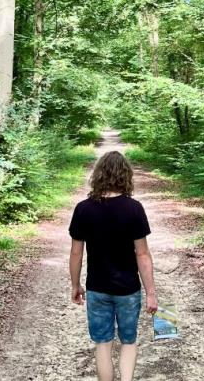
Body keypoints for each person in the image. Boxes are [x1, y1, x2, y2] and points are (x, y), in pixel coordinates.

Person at [68, 150, 158, 381]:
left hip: (97, 287)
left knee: (103, 344)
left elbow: (76, 253)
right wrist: (151, 293)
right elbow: (143, 254)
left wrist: (75, 285)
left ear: (98, 175)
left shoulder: (83, 209)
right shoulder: (134, 208)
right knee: (129, 341)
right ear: (125, 176)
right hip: (128, 289)